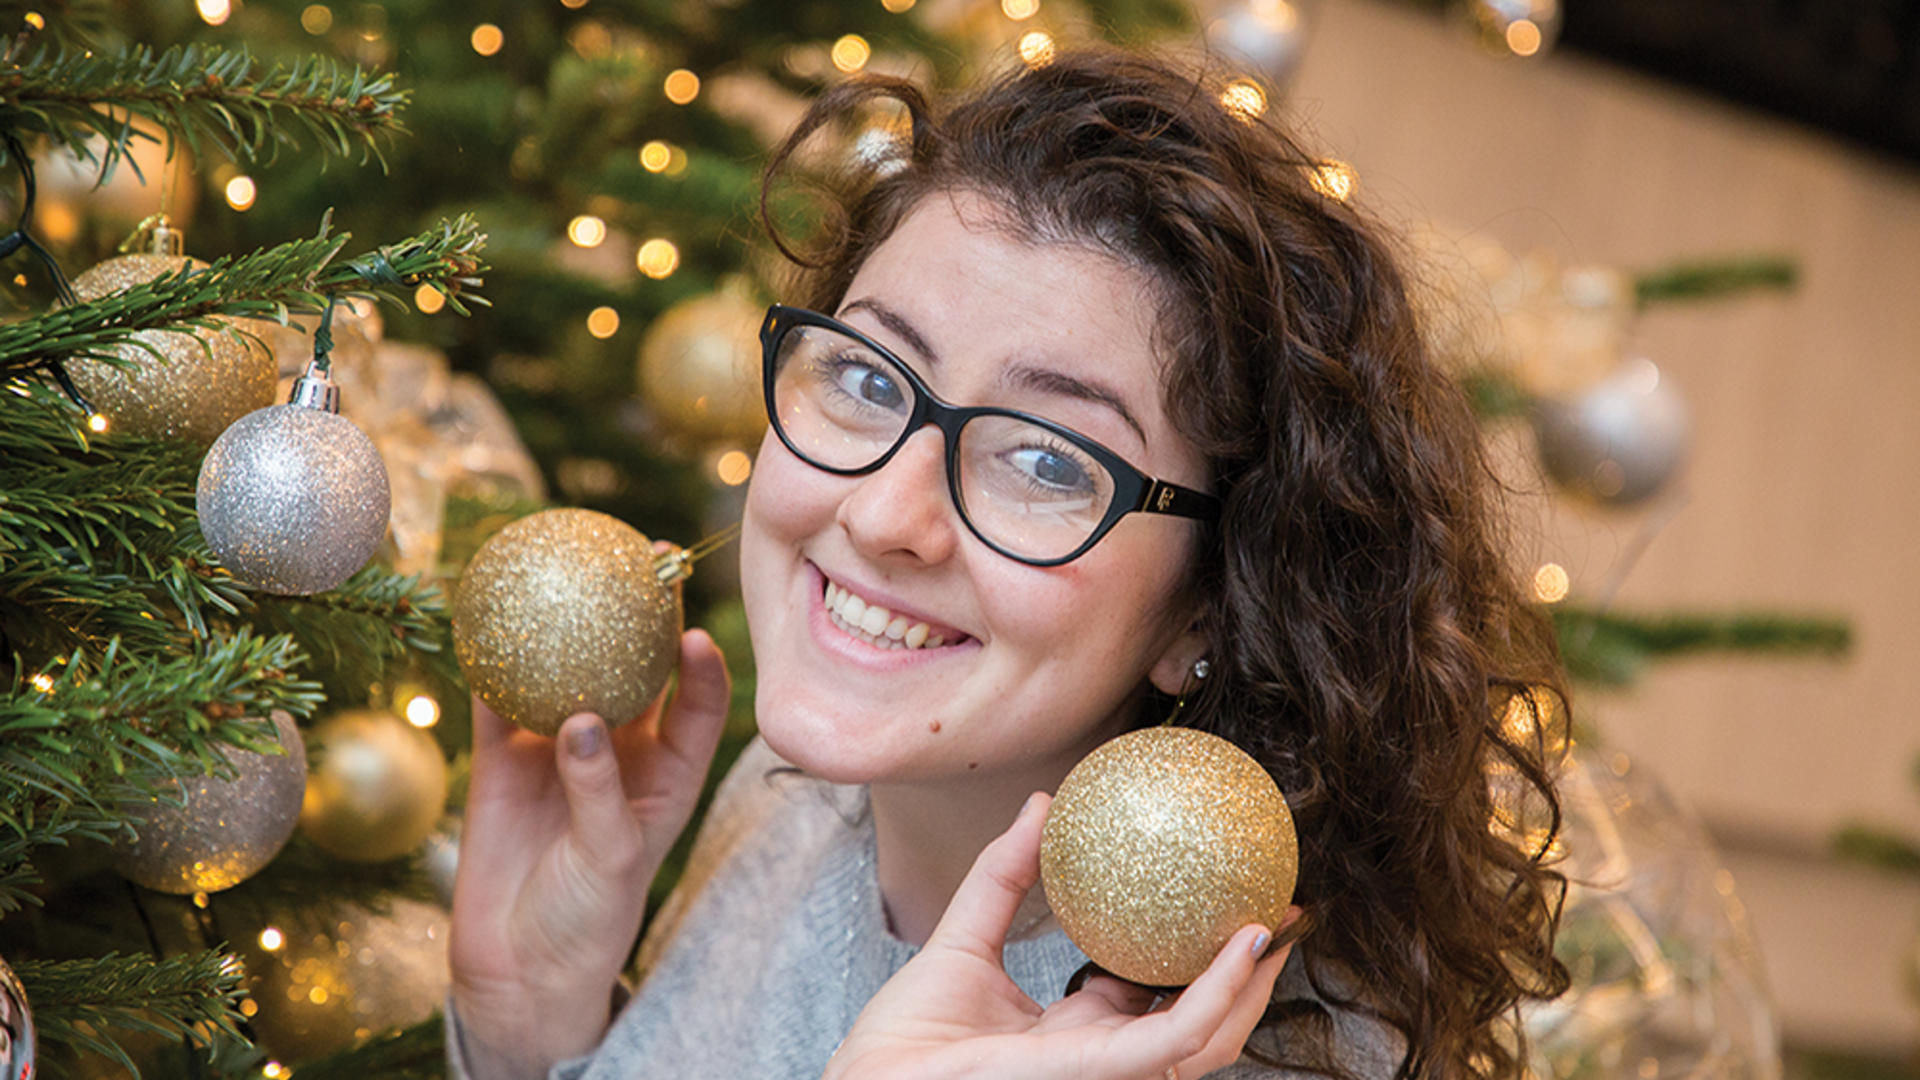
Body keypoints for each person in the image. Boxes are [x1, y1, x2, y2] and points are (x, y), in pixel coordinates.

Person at [447, 47, 1570, 1080]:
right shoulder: (791, 808)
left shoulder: (1242, 1046)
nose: (889, 514)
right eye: (872, 378)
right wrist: (528, 1026)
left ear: (1212, 610)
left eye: (1044, 459)